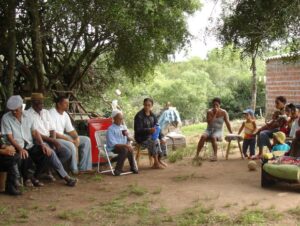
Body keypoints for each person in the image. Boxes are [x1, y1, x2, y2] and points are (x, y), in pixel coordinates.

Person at [1, 95, 77, 187]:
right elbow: (10, 137)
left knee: (49, 152)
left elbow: (35, 132)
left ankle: (66, 177)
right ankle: (30, 178)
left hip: (30, 145)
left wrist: (42, 144)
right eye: (12, 110)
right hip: (17, 146)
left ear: (21, 107)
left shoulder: (28, 116)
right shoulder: (6, 118)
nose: (14, 112)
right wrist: (20, 149)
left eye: (16, 110)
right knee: (24, 155)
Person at [27, 93, 72, 180]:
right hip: (38, 141)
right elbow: (35, 134)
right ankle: (66, 177)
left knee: (67, 152)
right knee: (51, 152)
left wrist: (54, 140)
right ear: (33, 103)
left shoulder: (46, 112)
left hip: (50, 139)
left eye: (42, 102)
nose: (41, 104)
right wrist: (52, 141)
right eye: (38, 102)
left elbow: (52, 129)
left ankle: (49, 169)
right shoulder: (28, 114)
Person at [49, 96, 92, 174]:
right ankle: (74, 169)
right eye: (65, 103)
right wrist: (70, 140)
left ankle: (84, 168)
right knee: (71, 144)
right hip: (54, 138)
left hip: (63, 136)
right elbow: (53, 133)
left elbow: (71, 130)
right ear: (58, 104)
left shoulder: (65, 114)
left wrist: (77, 138)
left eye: (68, 103)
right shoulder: (51, 113)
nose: (67, 105)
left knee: (86, 140)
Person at [195, 97, 232, 161]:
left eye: (217, 105)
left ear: (219, 105)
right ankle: (197, 155)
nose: (215, 106)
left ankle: (215, 156)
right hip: (209, 129)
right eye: (214, 105)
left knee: (213, 137)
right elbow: (209, 123)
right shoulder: (209, 112)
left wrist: (231, 132)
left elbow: (227, 123)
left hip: (218, 130)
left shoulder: (224, 112)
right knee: (203, 137)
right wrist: (215, 114)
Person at [134, 98, 167, 169]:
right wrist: (149, 130)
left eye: (149, 105)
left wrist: (162, 137)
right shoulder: (139, 116)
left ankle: (159, 159)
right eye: (145, 105)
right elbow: (138, 130)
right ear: (143, 105)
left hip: (151, 136)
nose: (147, 107)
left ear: (152, 106)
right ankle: (156, 163)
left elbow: (158, 127)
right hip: (141, 138)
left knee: (162, 141)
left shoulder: (153, 115)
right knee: (155, 141)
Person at [106, 110, 138, 176]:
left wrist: (127, 136)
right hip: (114, 148)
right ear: (114, 118)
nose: (121, 120)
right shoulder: (110, 129)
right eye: (119, 118)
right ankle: (118, 170)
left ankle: (133, 167)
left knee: (127, 148)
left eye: (122, 118)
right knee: (125, 149)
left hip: (124, 147)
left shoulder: (123, 127)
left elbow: (130, 139)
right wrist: (127, 146)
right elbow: (114, 144)